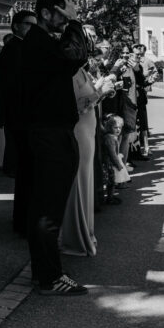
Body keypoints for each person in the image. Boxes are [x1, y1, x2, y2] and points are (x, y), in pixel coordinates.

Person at [22, 0, 88, 296]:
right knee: (48, 210)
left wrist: (70, 20)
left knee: (43, 209)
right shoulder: (39, 44)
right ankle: (51, 277)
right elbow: (76, 54)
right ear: (46, 13)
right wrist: (76, 23)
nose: (67, 22)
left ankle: (43, 273)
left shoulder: (41, 43)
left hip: (49, 133)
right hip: (50, 136)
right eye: (63, 15)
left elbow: (71, 58)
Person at [59, 27, 116, 257]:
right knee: (78, 182)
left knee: (86, 181)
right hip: (79, 131)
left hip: (88, 130)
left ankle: (86, 232)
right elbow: (75, 106)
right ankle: (75, 237)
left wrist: (101, 89)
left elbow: (88, 99)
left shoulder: (81, 70)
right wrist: (100, 91)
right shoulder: (69, 73)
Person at [0, 10, 36, 236]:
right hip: (19, 118)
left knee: (25, 173)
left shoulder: (19, 48)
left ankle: (23, 220)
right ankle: (22, 222)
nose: (32, 28)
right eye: (29, 24)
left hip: (18, 118)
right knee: (24, 172)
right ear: (17, 26)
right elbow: (15, 87)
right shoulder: (14, 50)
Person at [103, 113, 130, 204]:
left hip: (111, 163)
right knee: (111, 182)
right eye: (115, 127)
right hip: (110, 164)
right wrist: (118, 164)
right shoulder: (110, 139)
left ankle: (110, 197)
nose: (118, 129)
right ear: (110, 127)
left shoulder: (113, 137)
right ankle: (109, 198)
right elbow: (112, 153)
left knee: (112, 181)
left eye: (120, 127)